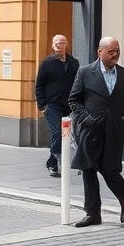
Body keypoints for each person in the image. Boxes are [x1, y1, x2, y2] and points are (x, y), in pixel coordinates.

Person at [69, 37, 124, 228]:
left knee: (109, 169)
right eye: (111, 51)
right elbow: (74, 100)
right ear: (99, 52)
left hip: (114, 130)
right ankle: (92, 214)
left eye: (118, 50)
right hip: (90, 129)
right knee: (88, 169)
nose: (115, 54)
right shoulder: (85, 72)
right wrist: (86, 117)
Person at [34, 34, 79, 178]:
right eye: (57, 44)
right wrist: (42, 105)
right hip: (51, 105)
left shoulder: (73, 62)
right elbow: (39, 85)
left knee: (70, 136)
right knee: (57, 133)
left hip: (68, 105)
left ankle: (52, 160)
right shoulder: (47, 63)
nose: (60, 46)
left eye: (62, 43)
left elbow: (77, 83)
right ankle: (56, 163)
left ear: (67, 45)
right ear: (53, 46)